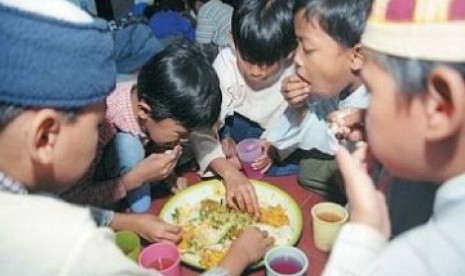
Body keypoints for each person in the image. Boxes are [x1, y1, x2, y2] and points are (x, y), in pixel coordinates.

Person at [0, 0, 273, 275]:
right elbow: (71, 206)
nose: (104, 125)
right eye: (96, 124)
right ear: (46, 136)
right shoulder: (71, 246)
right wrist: (238, 256)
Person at [322, 0, 465, 275]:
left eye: (372, 92)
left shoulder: (422, 260)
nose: (365, 112)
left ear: (439, 106)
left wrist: (364, 232)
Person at [61, 41, 222, 214]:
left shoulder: (153, 103)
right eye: (181, 134)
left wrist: (167, 174)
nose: (183, 140)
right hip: (78, 198)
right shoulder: (99, 124)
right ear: (144, 111)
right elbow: (71, 199)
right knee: (129, 147)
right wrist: (136, 179)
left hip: (125, 165)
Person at [190, 0, 298, 215]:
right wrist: (230, 172)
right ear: (233, 41)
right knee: (201, 130)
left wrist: (274, 148)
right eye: (247, 59)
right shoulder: (225, 63)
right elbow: (201, 127)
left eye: (268, 64)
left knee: (308, 156)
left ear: (290, 52)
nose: (257, 72)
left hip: (275, 130)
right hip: (239, 122)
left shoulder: (297, 68)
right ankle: (228, 140)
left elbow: (300, 119)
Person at [265, 0, 371, 203]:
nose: (296, 58)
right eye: (296, 44)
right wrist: (300, 106)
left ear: (356, 56)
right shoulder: (339, 84)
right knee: (309, 169)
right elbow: (319, 130)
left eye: (308, 48)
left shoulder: (380, 102)